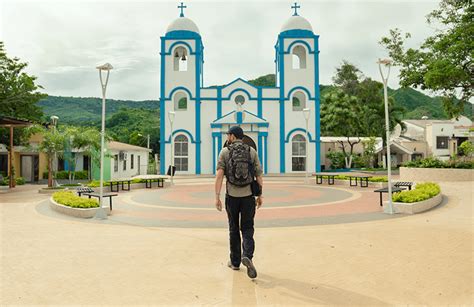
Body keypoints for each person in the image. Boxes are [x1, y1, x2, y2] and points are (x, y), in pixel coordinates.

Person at [214, 126, 263, 279]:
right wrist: (259, 195)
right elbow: (259, 175)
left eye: (228, 134)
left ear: (233, 136)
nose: (227, 137)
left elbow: (219, 176)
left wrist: (217, 196)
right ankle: (247, 255)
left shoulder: (225, 152)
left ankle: (235, 262)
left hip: (232, 197)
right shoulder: (251, 151)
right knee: (248, 228)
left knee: (233, 229)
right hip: (248, 197)